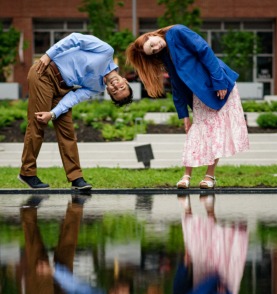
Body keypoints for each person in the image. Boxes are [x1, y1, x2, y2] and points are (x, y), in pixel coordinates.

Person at [126, 24, 249, 189]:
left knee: (216, 132)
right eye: (153, 51)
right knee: (196, 132)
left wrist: (219, 81)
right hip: (199, 94)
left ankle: (209, 176)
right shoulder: (165, 55)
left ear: (151, 35)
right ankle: (186, 176)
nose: (156, 48)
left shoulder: (177, 32)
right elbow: (176, 84)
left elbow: (205, 51)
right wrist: (183, 114)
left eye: (152, 45)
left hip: (219, 86)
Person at [18, 32, 133, 190]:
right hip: (44, 73)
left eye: (115, 91)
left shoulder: (96, 87)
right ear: (125, 80)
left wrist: (53, 114)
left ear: (108, 92)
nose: (115, 86)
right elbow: (75, 38)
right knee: (38, 123)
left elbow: (73, 98)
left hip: (63, 89)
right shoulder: (106, 52)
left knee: (68, 132)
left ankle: (76, 178)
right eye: (121, 86)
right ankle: (27, 172)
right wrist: (47, 55)